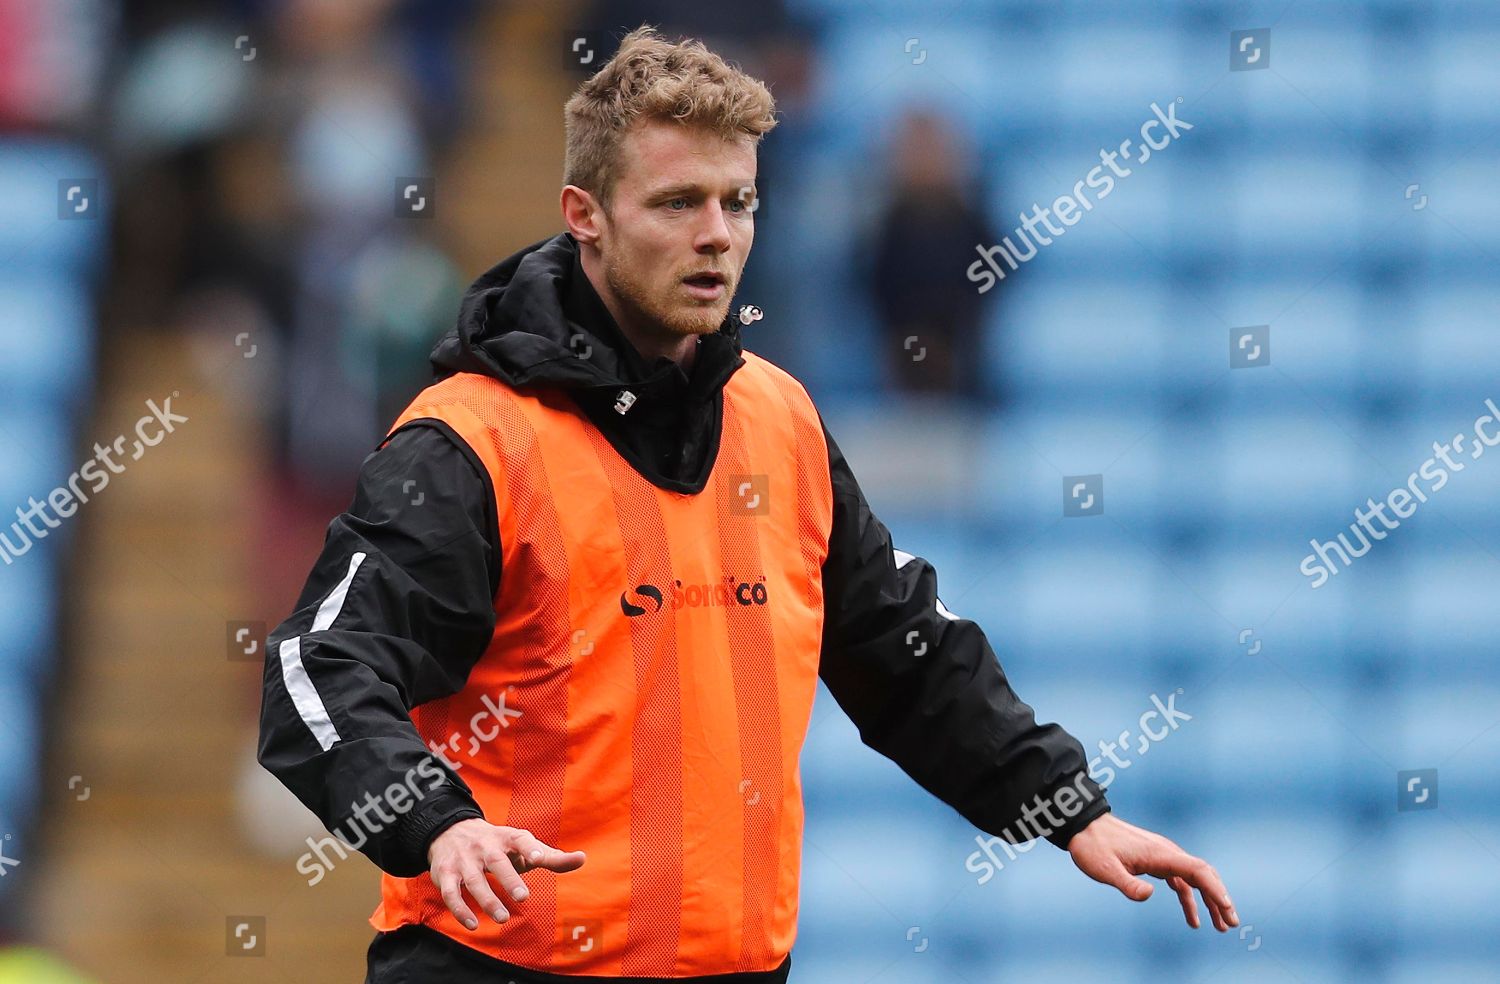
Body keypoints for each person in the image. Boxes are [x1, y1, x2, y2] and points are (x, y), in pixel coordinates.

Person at [257, 27, 1237, 984]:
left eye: (740, 201)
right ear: (584, 212)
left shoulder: (781, 419)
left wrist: (1070, 808)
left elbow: (906, 652)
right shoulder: (472, 441)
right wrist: (437, 822)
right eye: (679, 201)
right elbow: (318, 666)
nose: (717, 236)